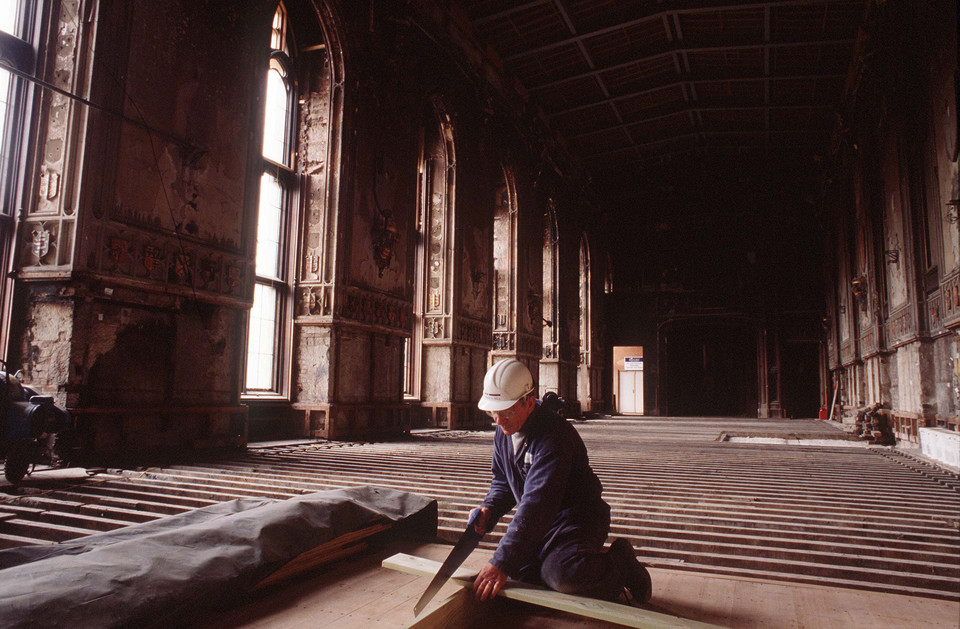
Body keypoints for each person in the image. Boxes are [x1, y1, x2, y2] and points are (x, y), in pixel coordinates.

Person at [470, 358, 652, 605]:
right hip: (542, 523)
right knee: (521, 572)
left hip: (577, 520)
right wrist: (488, 510)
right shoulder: (504, 431)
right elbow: (503, 481)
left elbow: (537, 504)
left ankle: (621, 561)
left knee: (563, 575)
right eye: (493, 413)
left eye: (506, 412)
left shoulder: (554, 436)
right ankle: (550, 561)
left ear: (529, 401)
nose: (499, 421)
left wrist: (500, 561)